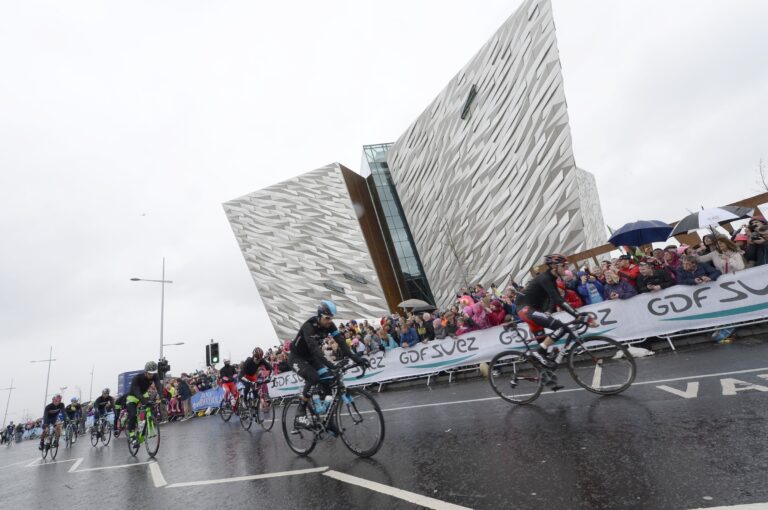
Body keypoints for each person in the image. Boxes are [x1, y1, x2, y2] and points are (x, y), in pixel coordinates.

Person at [289, 300, 369, 428]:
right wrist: (331, 365)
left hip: (311, 357)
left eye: (331, 318)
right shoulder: (308, 326)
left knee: (329, 379)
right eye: (327, 318)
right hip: (296, 357)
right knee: (313, 377)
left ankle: (328, 421)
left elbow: (342, 343)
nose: (329, 321)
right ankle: (300, 414)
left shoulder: (330, 325)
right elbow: (315, 349)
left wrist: (357, 359)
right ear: (319, 316)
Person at [515, 254, 591, 372]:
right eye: (564, 265)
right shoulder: (545, 278)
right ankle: (538, 352)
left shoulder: (552, 280)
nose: (566, 268)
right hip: (525, 310)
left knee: (544, 354)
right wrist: (577, 315)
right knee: (561, 327)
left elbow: (554, 299)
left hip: (532, 310)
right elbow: (558, 300)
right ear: (554, 266)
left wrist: (549, 311)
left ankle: (545, 375)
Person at [126, 361, 162, 450]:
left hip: (144, 394)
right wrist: (144, 401)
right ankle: (131, 435)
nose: (152, 376)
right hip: (133, 396)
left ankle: (146, 423)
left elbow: (158, 385)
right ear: (145, 372)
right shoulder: (137, 378)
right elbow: (136, 391)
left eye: (153, 373)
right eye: (150, 374)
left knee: (151, 406)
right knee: (133, 414)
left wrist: (162, 397)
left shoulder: (155, 376)